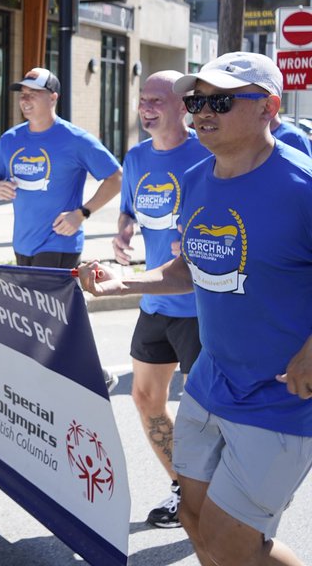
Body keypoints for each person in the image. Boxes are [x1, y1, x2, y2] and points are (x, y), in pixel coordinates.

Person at [79, 51, 312, 566]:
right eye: (197, 100)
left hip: (276, 398)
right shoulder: (197, 180)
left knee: (234, 544)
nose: (202, 110)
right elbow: (193, 268)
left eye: (221, 100)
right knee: (196, 523)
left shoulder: (303, 185)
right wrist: (125, 280)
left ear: (268, 107)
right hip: (208, 383)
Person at [111, 70, 210, 528]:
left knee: (205, 415)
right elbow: (130, 207)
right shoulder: (135, 158)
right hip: (155, 300)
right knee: (145, 396)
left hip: (199, 307)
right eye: (142, 99)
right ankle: (183, 488)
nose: (145, 107)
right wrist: (125, 228)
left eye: (155, 99)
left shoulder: (206, 154)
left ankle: (219, 504)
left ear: (181, 107)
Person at [0, 67, 122, 269]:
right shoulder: (10, 139)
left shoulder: (76, 139)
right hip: (23, 242)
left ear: (53, 97)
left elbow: (117, 177)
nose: (25, 100)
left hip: (59, 242)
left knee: (49, 301)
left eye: (33, 94)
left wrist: (82, 213)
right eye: (23, 95)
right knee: (31, 301)